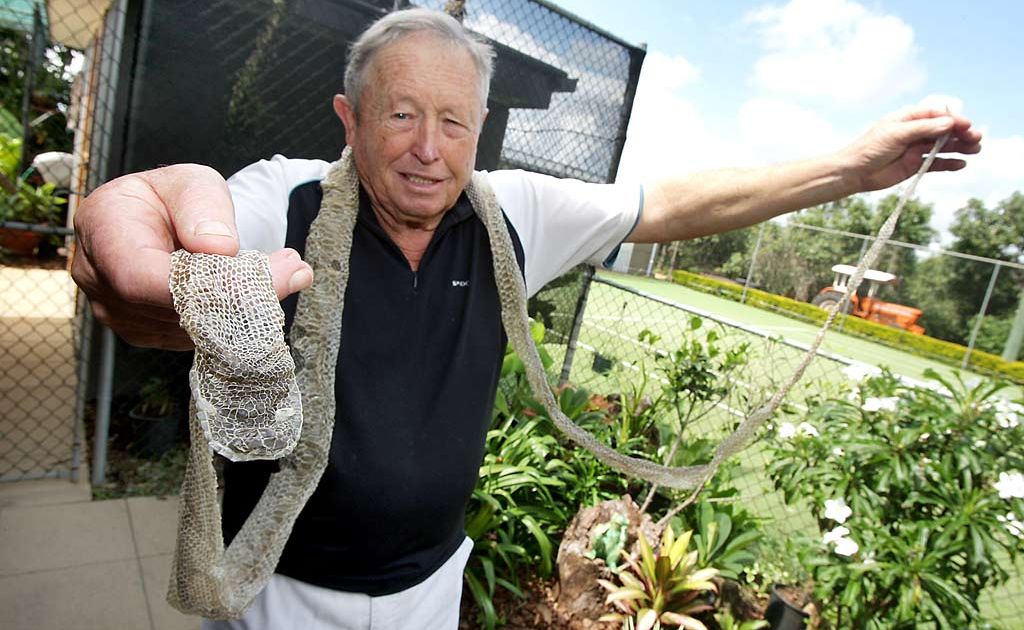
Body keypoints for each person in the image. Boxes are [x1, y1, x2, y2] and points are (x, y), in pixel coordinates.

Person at [70, 8, 981, 630]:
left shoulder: (513, 219)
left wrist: (856, 169)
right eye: (401, 115)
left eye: (455, 123)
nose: (430, 151)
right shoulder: (285, 202)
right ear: (349, 119)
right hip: (282, 591)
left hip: (430, 591)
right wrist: (146, 250)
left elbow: (662, 204)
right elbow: (186, 237)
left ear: (481, 128)